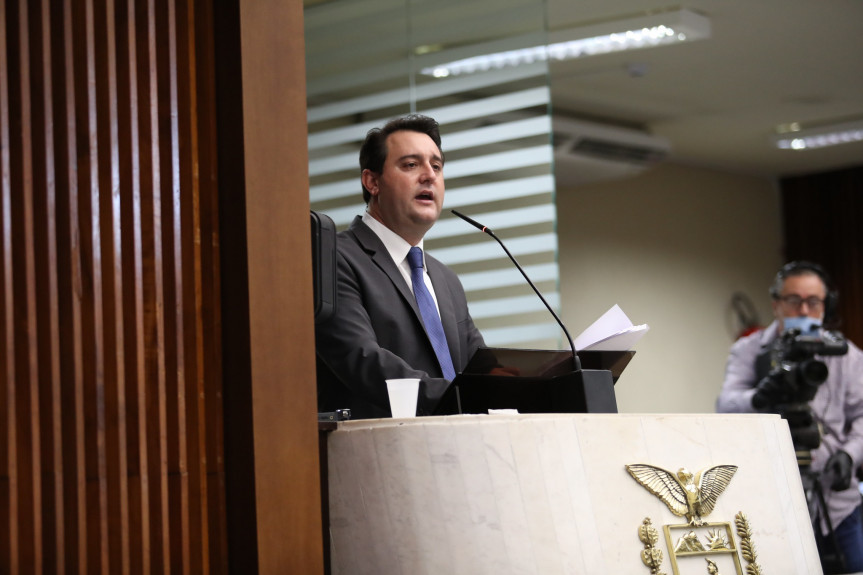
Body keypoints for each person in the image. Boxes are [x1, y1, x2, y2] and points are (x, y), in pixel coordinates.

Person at [315, 114, 486, 419]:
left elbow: (478, 368)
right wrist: (457, 402)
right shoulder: (335, 257)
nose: (429, 176)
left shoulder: (446, 279)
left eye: (436, 166)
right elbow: (361, 359)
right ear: (372, 181)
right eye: (411, 165)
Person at [717, 261, 863, 574]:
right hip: (770, 499)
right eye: (793, 300)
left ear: (826, 306)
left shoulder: (846, 354)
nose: (804, 310)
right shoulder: (749, 350)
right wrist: (758, 397)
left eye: (813, 302)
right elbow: (725, 406)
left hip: (837, 504)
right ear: (776, 304)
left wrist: (849, 456)